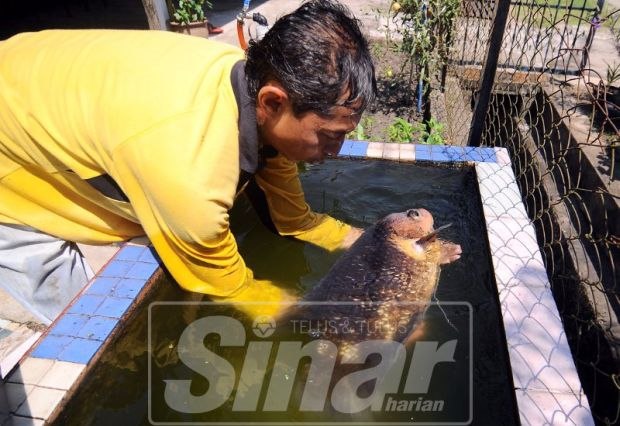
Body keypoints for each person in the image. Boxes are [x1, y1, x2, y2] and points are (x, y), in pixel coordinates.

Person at [0, 0, 376, 324]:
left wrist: (377, 242)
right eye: (328, 136)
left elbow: (294, 219)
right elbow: (233, 287)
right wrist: (343, 323)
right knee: (91, 325)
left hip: (37, 71)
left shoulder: (245, 77)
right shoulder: (191, 175)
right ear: (273, 102)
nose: (336, 151)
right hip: (9, 133)